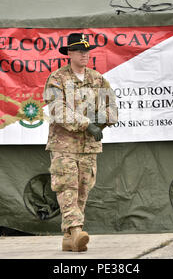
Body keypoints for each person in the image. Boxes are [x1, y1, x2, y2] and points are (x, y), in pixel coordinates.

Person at [43, 33, 118, 252]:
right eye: (79, 51)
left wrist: (100, 120)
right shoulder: (56, 79)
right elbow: (58, 110)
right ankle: (76, 230)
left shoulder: (98, 79)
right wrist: (87, 123)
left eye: (87, 51)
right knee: (68, 187)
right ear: (69, 53)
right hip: (63, 145)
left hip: (88, 147)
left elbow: (112, 108)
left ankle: (69, 238)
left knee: (83, 190)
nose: (84, 54)